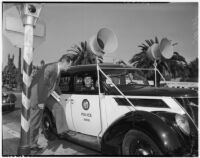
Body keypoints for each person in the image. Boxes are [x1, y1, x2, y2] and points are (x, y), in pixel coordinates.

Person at [29, 53, 74, 151]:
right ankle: (31, 144)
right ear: (63, 62)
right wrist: (41, 102)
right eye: (69, 65)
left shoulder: (58, 70)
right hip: (38, 95)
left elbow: (55, 85)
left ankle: (62, 131)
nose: (69, 67)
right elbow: (41, 85)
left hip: (46, 94)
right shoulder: (50, 68)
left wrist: (61, 95)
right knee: (35, 120)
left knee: (58, 107)